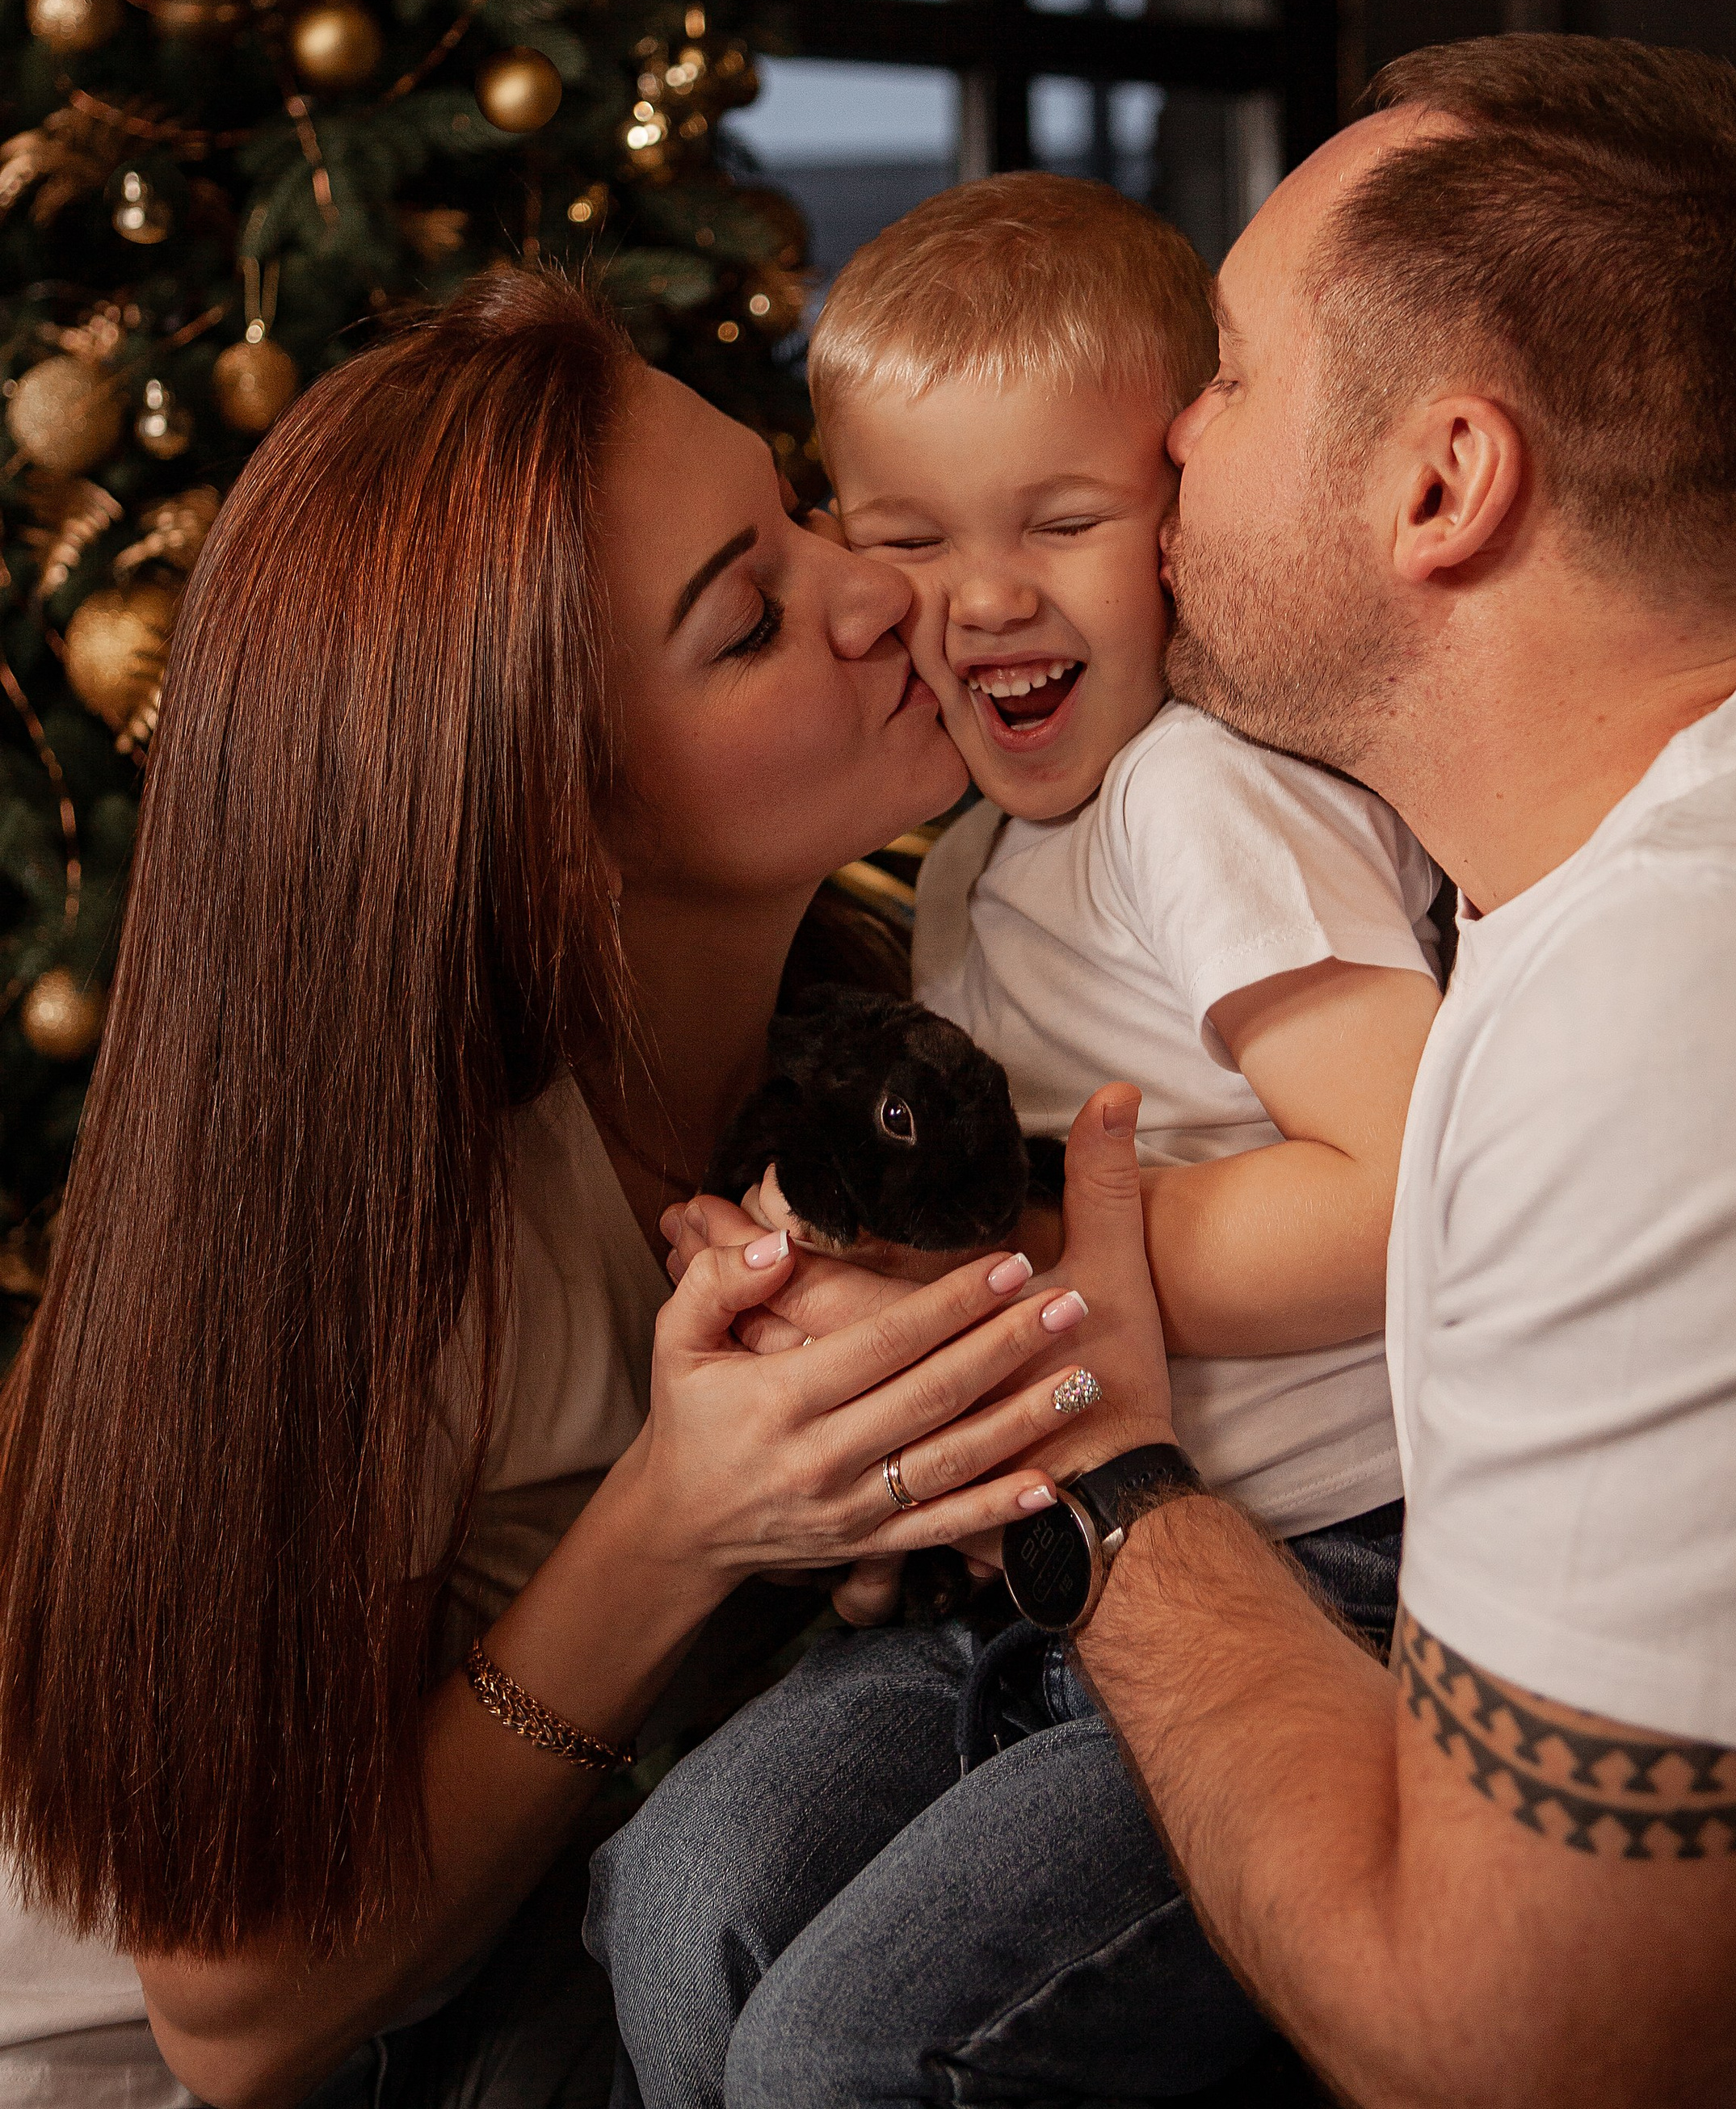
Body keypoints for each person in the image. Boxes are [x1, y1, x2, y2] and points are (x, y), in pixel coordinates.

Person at [1044, 33, 1736, 2109]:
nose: (1164, 427)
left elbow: (1497, 2057)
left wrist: (1100, 1485)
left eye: (1229, 367)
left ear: (1440, 482)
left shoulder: (1708, 1020)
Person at [0, 269, 1120, 2109]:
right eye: (752, 618)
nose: (875, 590)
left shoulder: (879, 1014)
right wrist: (679, 1528)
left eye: (794, 508)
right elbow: (233, 2018)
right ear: (546, 820)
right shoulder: (386, 1235)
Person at [588, 174, 1443, 2107]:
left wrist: (1016, 1274)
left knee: (846, 2049)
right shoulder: (971, 852)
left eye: (1059, 521)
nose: (980, 595)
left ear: (1180, 518)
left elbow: (1412, 1193)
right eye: (904, 534)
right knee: (670, 1896)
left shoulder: (1195, 799)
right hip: (1020, 1567)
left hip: (1310, 1582)